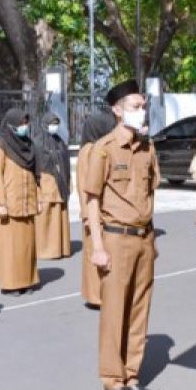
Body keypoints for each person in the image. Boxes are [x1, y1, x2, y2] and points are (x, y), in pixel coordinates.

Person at [83, 79, 160, 390]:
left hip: (143, 238)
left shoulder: (147, 147)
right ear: (117, 111)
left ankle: (132, 374)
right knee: (115, 312)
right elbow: (91, 200)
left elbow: (149, 193)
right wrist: (97, 247)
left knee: (139, 310)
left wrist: (152, 239)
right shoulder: (103, 149)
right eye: (135, 107)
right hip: (115, 239)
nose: (141, 112)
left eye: (143, 107)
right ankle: (112, 380)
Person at [0, 108, 40, 294]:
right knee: (10, 248)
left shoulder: (29, 146)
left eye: (25, 123)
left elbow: (35, 174)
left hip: (27, 202)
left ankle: (27, 281)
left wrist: (38, 198)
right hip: (9, 206)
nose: (24, 127)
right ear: (10, 126)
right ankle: (12, 284)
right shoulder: (0, 147)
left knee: (27, 247)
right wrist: (1, 203)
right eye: (20, 124)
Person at [76, 112, 117, 309]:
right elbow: (85, 186)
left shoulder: (101, 149)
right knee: (95, 255)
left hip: (103, 212)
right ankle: (95, 296)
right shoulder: (89, 151)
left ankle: (103, 294)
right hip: (93, 214)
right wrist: (87, 215)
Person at [35, 112, 72, 260]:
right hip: (46, 183)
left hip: (60, 183)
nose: (54, 126)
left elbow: (65, 160)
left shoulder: (60, 141)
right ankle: (45, 250)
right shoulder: (37, 142)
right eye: (52, 123)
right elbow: (36, 164)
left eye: (56, 123)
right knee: (46, 217)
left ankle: (61, 248)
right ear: (44, 123)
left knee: (60, 215)